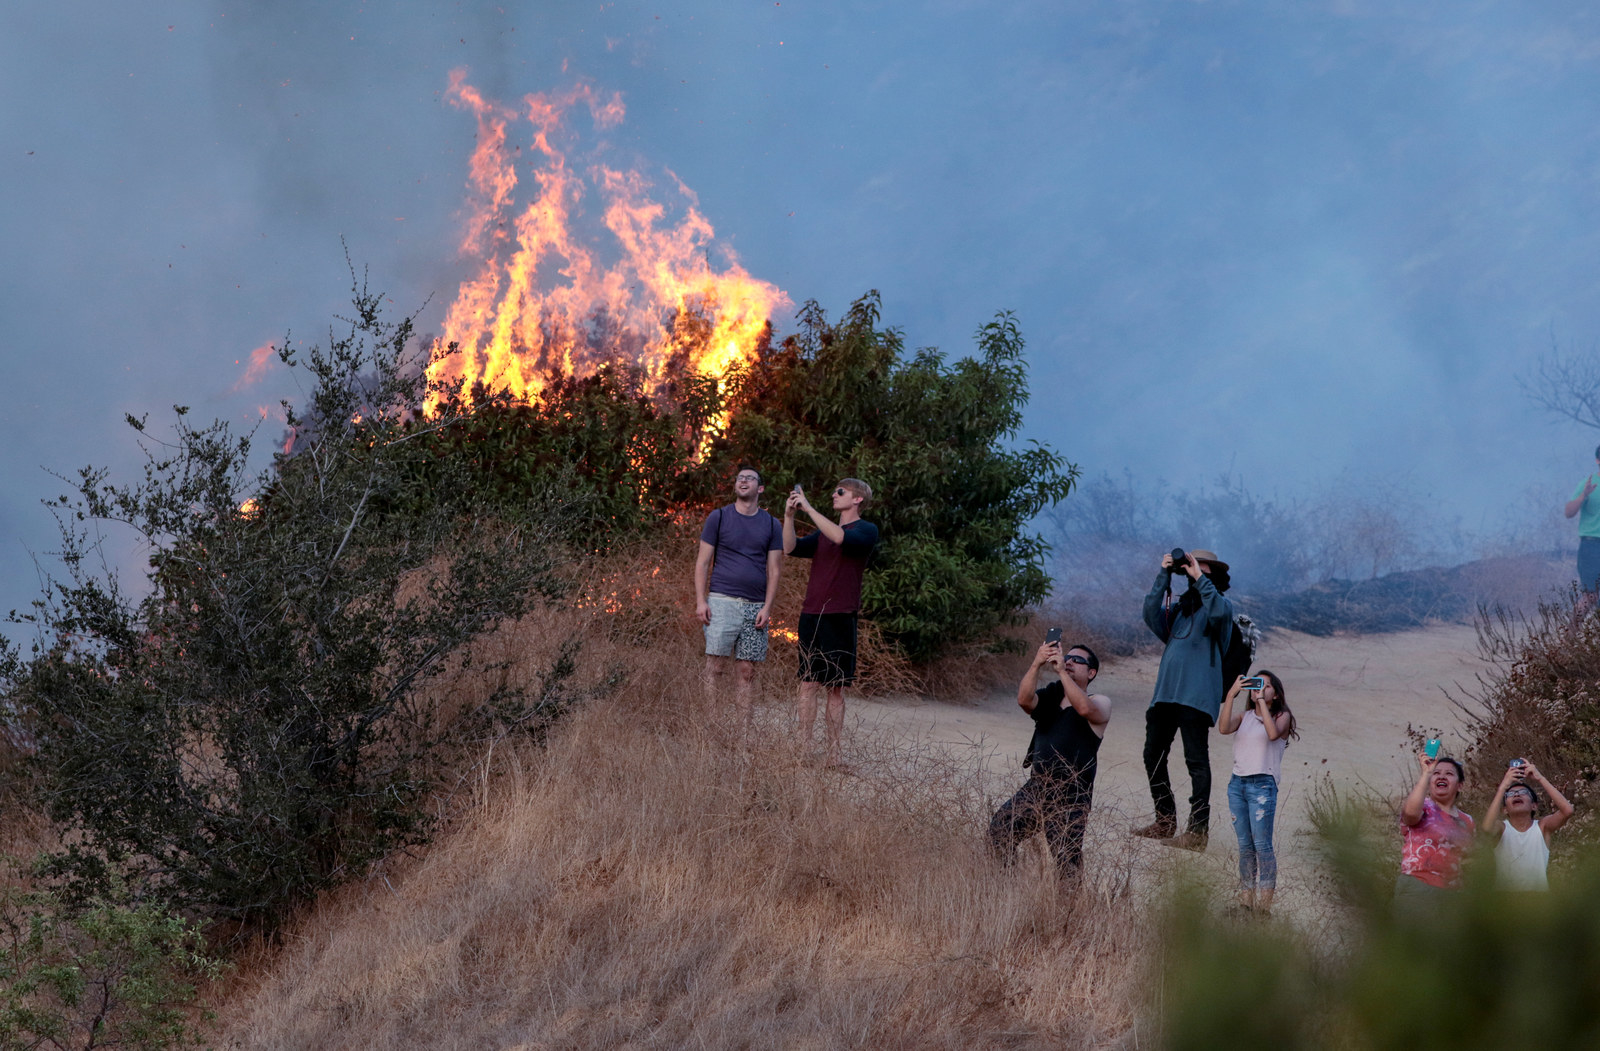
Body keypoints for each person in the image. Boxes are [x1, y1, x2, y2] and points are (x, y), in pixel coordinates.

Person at [1132, 549, 1235, 851]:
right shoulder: (1180, 612)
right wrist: (1164, 573)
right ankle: (1164, 820)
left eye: (1201, 568)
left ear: (1212, 575)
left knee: (1196, 763)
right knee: (1152, 755)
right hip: (1166, 694)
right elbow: (1150, 614)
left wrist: (1198, 576)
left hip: (1197, 697)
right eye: (1189, 567)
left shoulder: (1222, 609)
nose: (1193, 571)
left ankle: (1197, 832)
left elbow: (1216, 609)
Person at [988, 638, 1111, 878]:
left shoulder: (1100, 701)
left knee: (1067, 861)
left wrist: (1063, 673)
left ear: (1092, 672)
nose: (1070, 662)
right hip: (1038, 786)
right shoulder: (1051, 697)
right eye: (1068, 658)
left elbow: (1085, 709)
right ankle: (1006, 887)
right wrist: (1036, 664)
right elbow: (1024, 700)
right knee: (1001, 830)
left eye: (1078, 661)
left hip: (1071, 795)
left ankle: (1068, 912)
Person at [783, 478, 879, 766]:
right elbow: (790, 547)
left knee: (835, 688)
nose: (834, 495)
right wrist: (789, 516)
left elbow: (840, 538)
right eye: (834, 491)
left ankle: (834, 755)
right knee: (807, 683)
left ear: (858, 499)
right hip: (811, 614)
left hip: (840, 616)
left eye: (840, 492)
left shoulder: (865, 529)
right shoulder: (823, 532)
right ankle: (803, 749)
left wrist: (809, 508)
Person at [694, 464, 783, 724]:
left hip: (755, 606)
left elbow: (775, 570)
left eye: (750, 478)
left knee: (747, 671)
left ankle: (743, 732)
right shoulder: (719, 517)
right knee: (715, 667)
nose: (743, 481)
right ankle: (711, 726)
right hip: (721, 602)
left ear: (761, 488)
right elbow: (702, 562)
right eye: (740, 478)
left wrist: (767, 607)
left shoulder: (771, 523)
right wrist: (701, 601)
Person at [1217, 670, 1297, 916]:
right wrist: (1231, 695)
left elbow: (1273, 734)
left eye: (1266, 685)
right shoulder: (1245, 716)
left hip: (1263, 783)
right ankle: (1246, 902)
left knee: (1262, 845)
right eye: (1256, 684)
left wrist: (1261, 701)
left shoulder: (1282, 716)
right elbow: (1223, 728)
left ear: (1276, 693)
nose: (1260, 689)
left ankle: (1263, 909)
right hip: (1238, 783)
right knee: (1245, 845)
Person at [1395, 752, 1475, 916]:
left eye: (1449, 774)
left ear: (1460, 785)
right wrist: (1426, 773)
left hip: (1453, 897)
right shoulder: (1423, 806)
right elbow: (1410, 815)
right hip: (1418, 887)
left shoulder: (1467, 821)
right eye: (1436, 773)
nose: (1442, 776)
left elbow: (1469, 859)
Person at [1481, 759, 1574, 891]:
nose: (1517, 794)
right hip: (1504, 903)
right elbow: (1486, 827)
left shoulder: (1542, 827)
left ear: (1534, 805)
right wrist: (1503, 787)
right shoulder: (1502, 828)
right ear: (1505, 809)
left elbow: (1567, 811)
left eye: (1524, 793)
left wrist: (1540, 778)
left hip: (1538, 901)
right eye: (1510, 794)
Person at [1565, 444, 1600, 616]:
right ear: (1597, 460)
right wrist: (1583, 495)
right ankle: (1569, 640)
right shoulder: (1588, 484)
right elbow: (1569, 513)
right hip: (1592, 546)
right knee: (1591, 596)